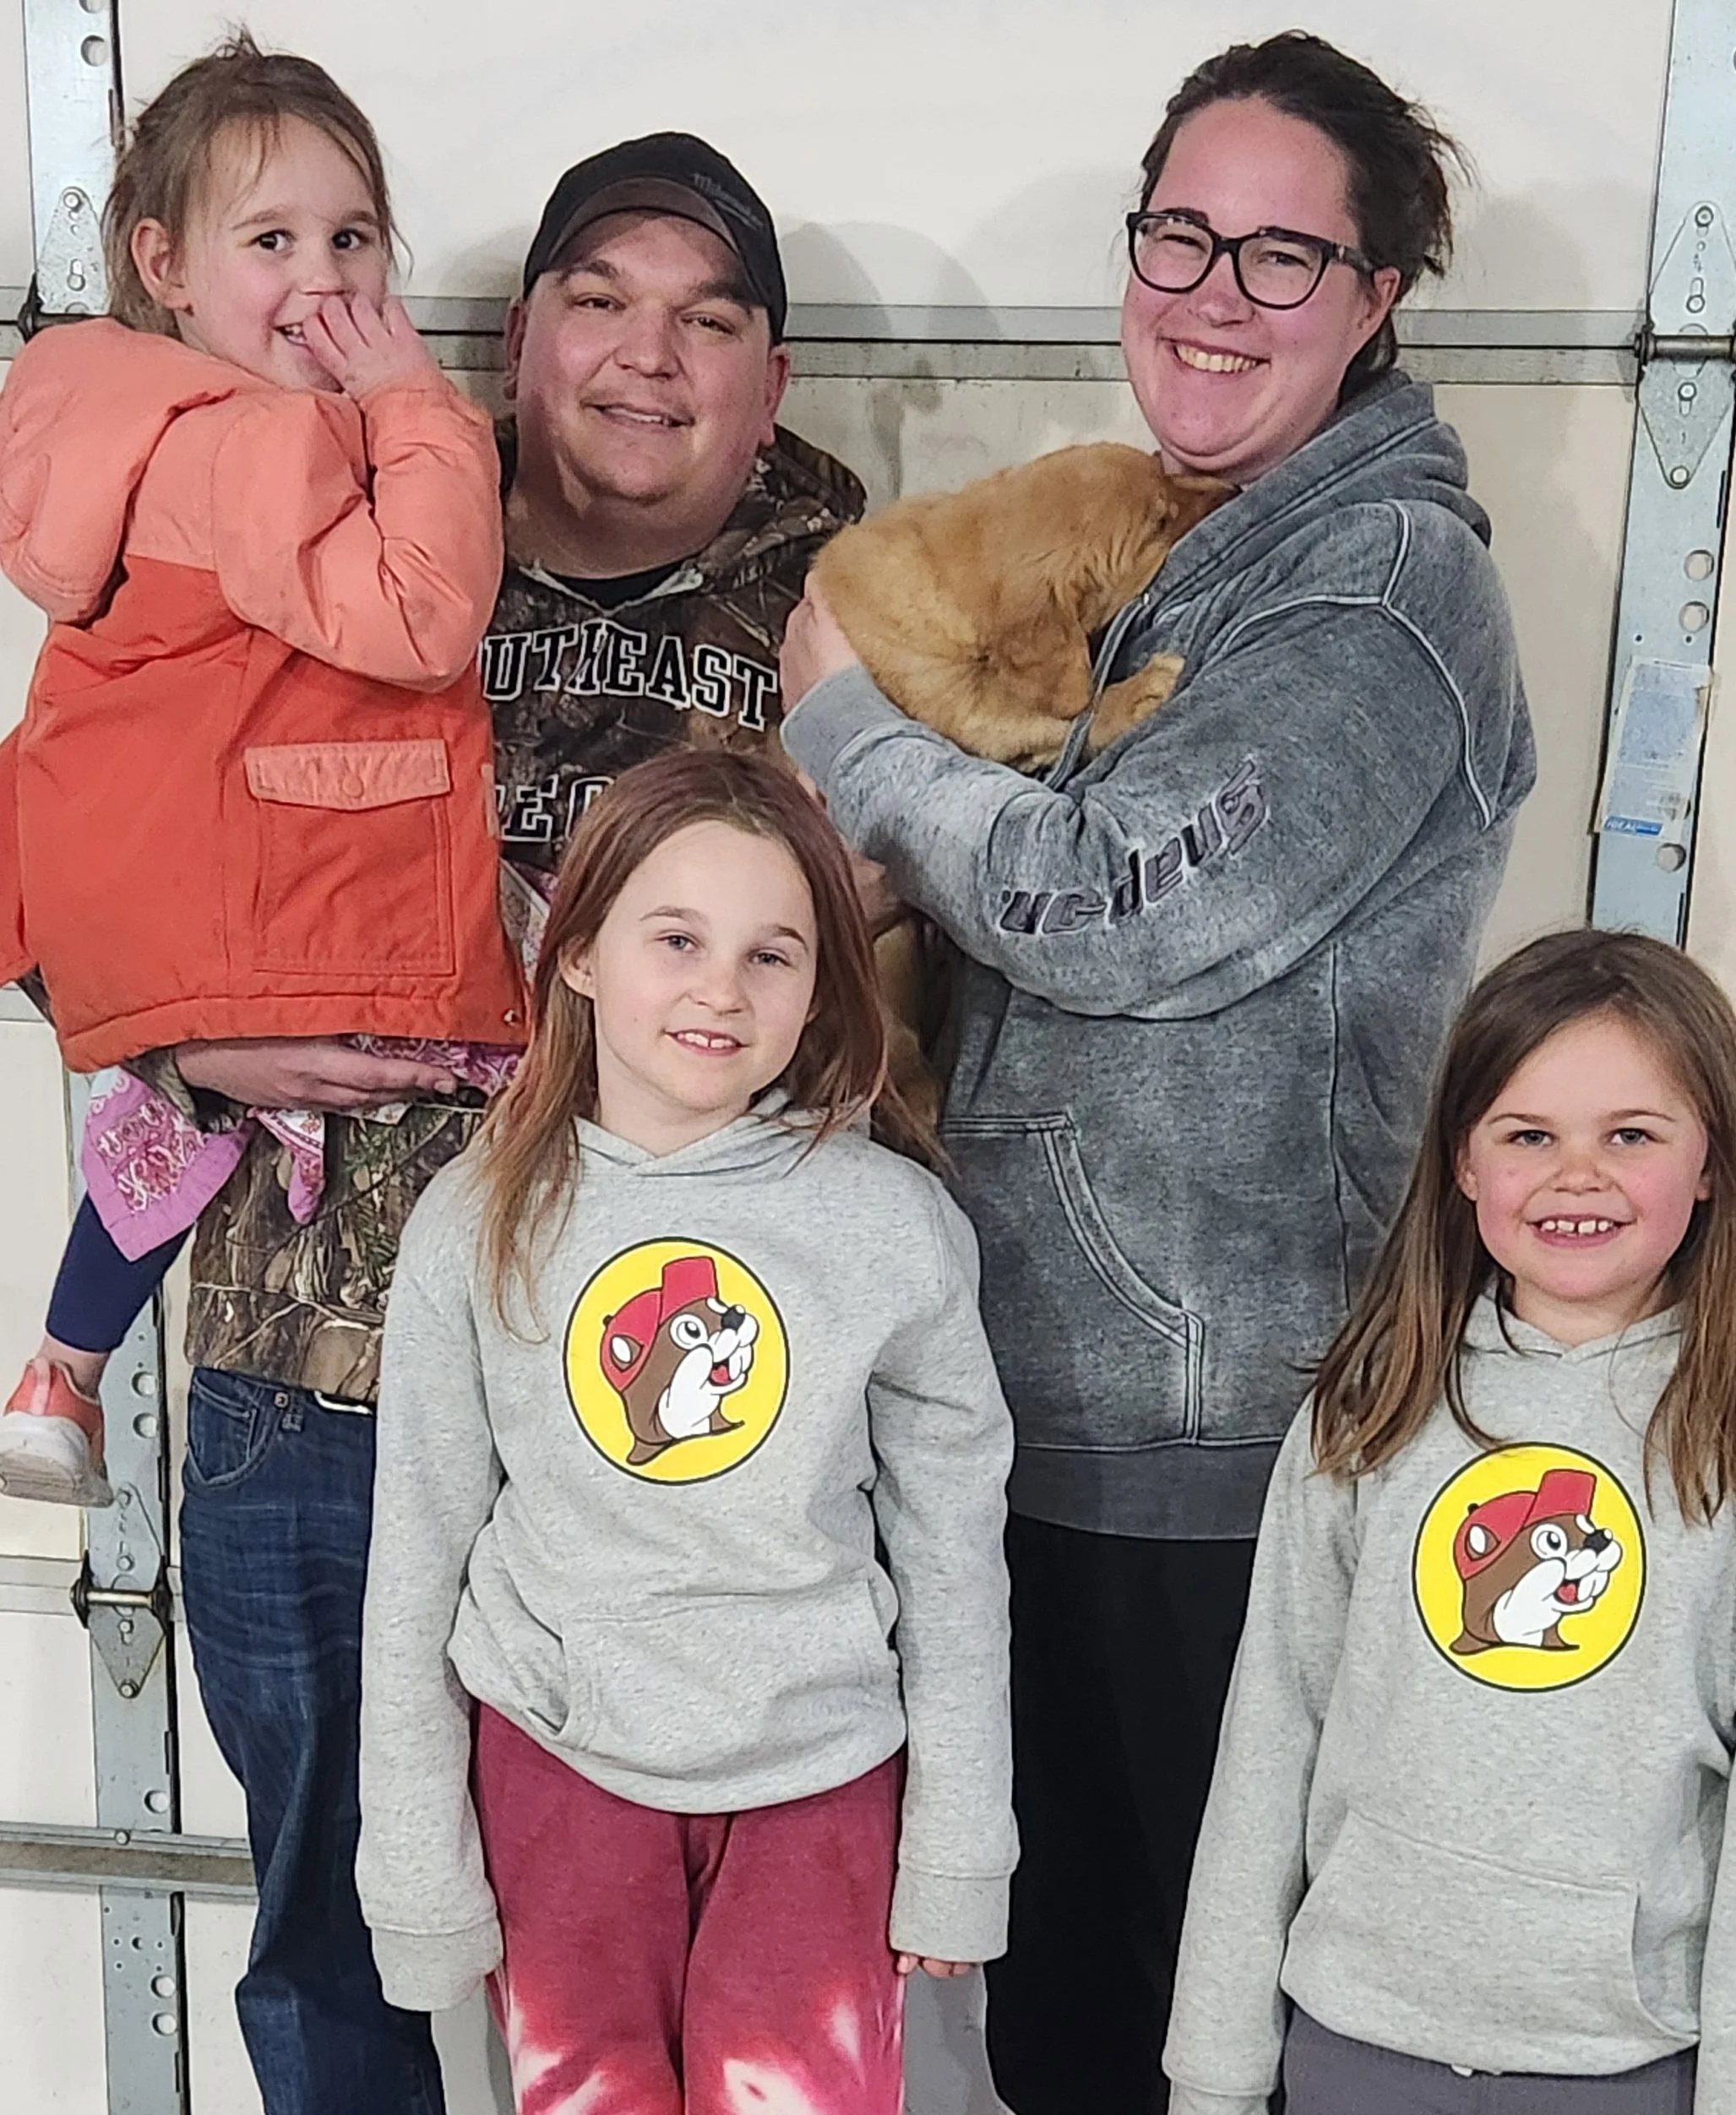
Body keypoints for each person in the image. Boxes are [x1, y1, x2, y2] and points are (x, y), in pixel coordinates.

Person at [778, 30, 1535, 2112]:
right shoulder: (1177, 546)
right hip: (1030, 1408)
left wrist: (846, 727)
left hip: (1202, 1455)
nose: (1212, 292)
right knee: (1056, 2018)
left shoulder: (1384, 594)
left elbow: (1125, 896)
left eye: (1284, 256)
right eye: (1180, 233)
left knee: (1177, 2034)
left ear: (1379, 297)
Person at [128, 130, 865, 2115]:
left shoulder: (849, 619)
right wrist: (184, 1040)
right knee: (338, 1937)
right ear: (514, 331)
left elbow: (921, 993)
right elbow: (82, 815)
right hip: (318, 1368)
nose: (650, 356)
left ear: (770, 379)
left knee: (663, 2004)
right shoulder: (314, 505)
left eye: (710, 317)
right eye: (600, 301)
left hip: (670, 1438)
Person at [355, 748, 1015, 2115]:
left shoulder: (894, 1230)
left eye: (773, 954)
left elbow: (957, 1563)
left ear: (822, 985)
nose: (722, 987)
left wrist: (959, 1847)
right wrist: (417, 1867)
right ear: (581, 950)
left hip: (821, 1789)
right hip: (557, 1779)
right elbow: (413, 1556)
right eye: (677, 939)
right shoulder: (475, 1223)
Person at [0, 35, 520, 1509]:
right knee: (528, 989)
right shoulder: (247, 440)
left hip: (147, 876)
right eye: (273, 240)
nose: (327, 279)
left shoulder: (113, 423)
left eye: (352, 237)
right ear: (162, 260)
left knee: (172, 1115)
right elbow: (421, 616)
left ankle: (66, 1368)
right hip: (259, 899)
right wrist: (420, 403)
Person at [1165, 927, 1736, 2114]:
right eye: (1528, 1135)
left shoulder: (1718, 1434)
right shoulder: (1368, 1407)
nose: (1575, 1177)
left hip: (1625, 2067)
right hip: (1353, 2043)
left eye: (1629, 1135)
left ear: (1710, 1164)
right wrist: (1213, 2072)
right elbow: (1271, 1735)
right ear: (1463, 1162)